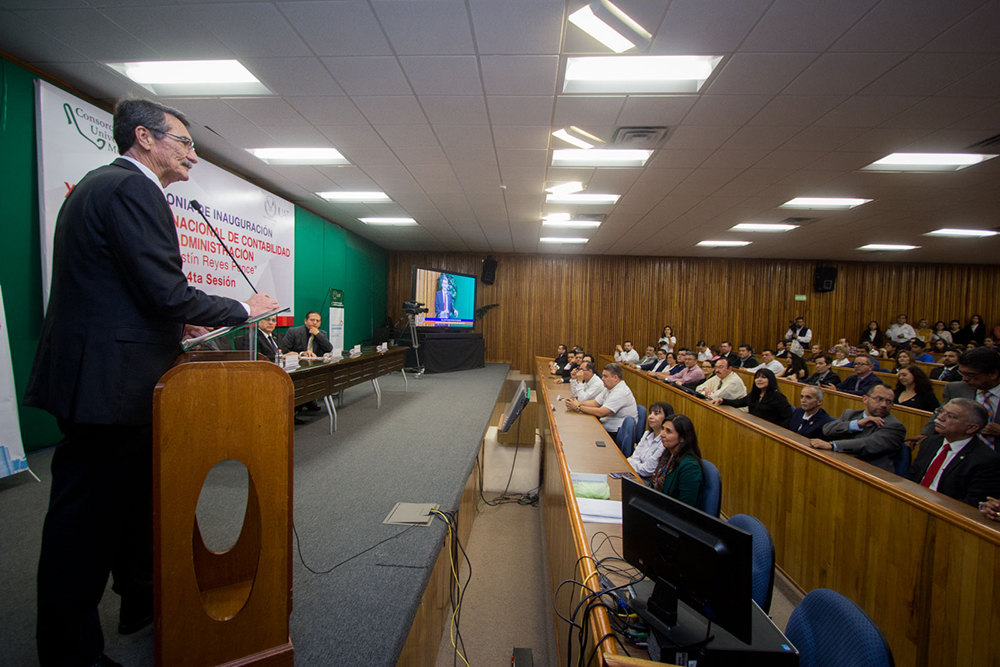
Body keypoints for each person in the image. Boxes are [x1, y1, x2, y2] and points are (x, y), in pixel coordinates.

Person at [24, 98, 278, 667]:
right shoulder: (131, 189)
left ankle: (139, 602)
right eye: (185, 143)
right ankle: (70, 655)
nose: (193, 154)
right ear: (144, 137)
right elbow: (163, 289)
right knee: (83, 527)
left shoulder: (103, 188)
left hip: (114, 381)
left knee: (131, 507)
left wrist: (172, 318)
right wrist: (242, 305)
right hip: (108, 387)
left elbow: (127, 293)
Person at [906, 399, 1000, 507]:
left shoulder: (986, 460)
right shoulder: (930, 442)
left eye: (951, 416)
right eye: (941, 412)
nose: (940, 417)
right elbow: (912, 477)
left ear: (971, 428)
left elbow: (972, 504)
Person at [809, 384, 906, 472]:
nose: (884, 405)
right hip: (841, 465)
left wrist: (832, 445)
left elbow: (868, 444)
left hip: (871, 473)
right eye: (879, 399)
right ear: (865, 399)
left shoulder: (895, 426)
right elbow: (827, 430)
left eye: (889, 402)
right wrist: (857, 424)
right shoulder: (850, 414)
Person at [917, 347, 1000, 448]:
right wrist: (926, 434)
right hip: (964, 453)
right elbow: (941, 412)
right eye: (962, 373)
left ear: (993, 374)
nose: (964, 379)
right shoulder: (956, 389)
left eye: (971, 375)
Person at [565, 363, 638, 440]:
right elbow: (595, 403)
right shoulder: (609, 388)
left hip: (615, 433)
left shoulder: (620, 391)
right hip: (606, 426)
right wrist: (576, 403)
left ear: (615, 378)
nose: (602, 378)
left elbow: (601, 412)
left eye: (605, 376)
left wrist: (578, 407)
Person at [650, 415, 704, 508]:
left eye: (668, 431)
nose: (662, 434)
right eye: (662, 429)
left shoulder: (690, 467)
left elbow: (685, 508)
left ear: (682, 438)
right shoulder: (667, 455)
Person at [711, 368, 793, 428]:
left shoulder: (778, 397)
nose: (759, 380)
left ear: (770, 380)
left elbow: (789, 417)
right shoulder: (754, 395)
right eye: (757, 377)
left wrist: (778, 431)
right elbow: (738, 403)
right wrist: (721, 400)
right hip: (754, 428)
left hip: (770, 432)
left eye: (763, 377)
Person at [627, 401, 674, 479]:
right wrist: (634, 462)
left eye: (656, 414)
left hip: (647, 481)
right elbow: (635, 456)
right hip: (635, 473)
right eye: (650, 413)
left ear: (666, 418)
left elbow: (647, 470)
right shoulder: (647, 434)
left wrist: (630, 462)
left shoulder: (664, 442)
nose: (650, 417)